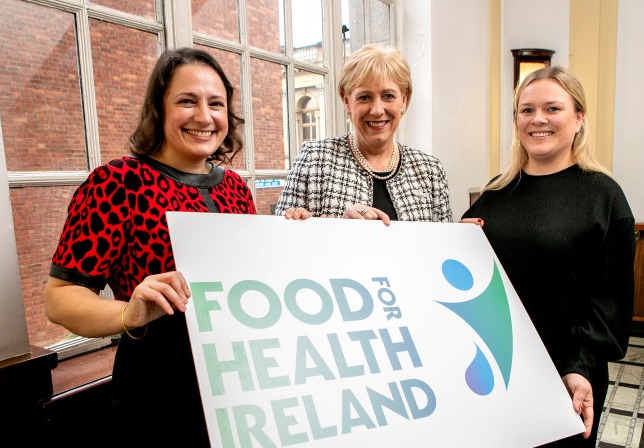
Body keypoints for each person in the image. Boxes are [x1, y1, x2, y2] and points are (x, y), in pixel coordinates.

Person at [45, 47, 256, 446]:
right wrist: (130, 312)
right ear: (159, 109)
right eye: (187, 101)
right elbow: (60, 299)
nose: (204, 116)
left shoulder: (236, 189)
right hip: (160, 391)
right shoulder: (117, 182)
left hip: (236, 383)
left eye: (216, 104)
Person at [461, 66, 635, 447]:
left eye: (552, 108)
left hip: (565, 376)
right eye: (527, 110)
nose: (537, 119)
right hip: (494, 370)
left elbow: (609, 302)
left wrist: (580, 367)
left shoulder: (604, 198)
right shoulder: (496, 194)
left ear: (579, 118)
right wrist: (458, 240)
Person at [275, 43, 452, 224]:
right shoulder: (313, 160)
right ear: (347, 102)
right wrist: (332, 227)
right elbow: (280, 236)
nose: (377, 110)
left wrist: (463, 234)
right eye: (364, 97)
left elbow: (443, 242)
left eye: (388, 96)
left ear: (404, 100)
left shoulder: (430, 171)